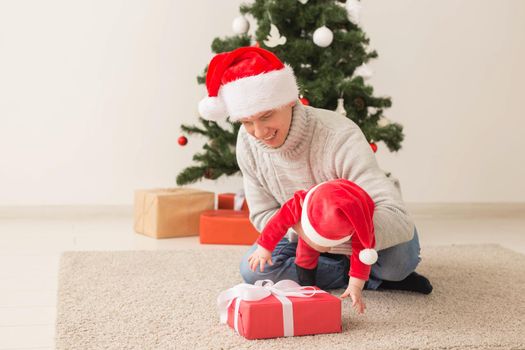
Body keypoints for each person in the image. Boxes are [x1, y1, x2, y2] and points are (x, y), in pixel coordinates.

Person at [198, 46, 433, 297]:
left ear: (289, 100)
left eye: (266, 116)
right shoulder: (247, 143)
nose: (258, 132)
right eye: (246, 121)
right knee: (253, 271)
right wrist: (308, 233)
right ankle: (359, 273)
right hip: (299, 235)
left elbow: (396, 216)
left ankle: (348, 270)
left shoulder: (338, 135)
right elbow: (262, 213)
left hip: (362, 227)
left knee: (398, 263)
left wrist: (335, 234)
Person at [248, 179, 379, 314]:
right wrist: (264, 247)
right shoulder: (302, 201)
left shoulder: (361, 223)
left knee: (393, 267)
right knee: (304, 254)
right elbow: (278, 221)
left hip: (347, 226)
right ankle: (307, 285)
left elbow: (363, 251)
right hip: (310, 225)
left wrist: (355, 286)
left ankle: (349, 272)